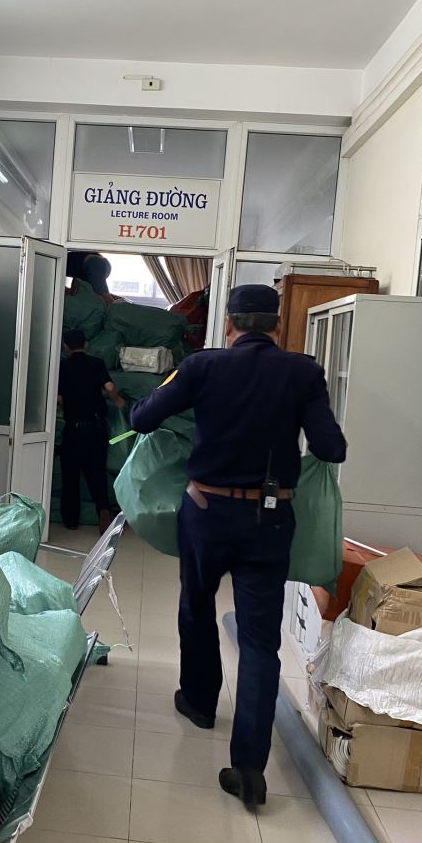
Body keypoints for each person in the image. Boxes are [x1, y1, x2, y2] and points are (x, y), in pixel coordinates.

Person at [129, 284, 346, 807]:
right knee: (259, 641)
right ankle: (249, 768)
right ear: (276, 326)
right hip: (269, 522)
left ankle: (200, 701)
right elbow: (330, 447)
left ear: (228, 324)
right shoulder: (302, 372)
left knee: (196, 607)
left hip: (205, 513)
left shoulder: (202, 367)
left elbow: (142, 419)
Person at [58, 328, 126, 535]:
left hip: (73, 428)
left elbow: (59, 398)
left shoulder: (62, 366)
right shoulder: (96, 363)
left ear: (65, 346)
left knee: (70, 475)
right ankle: (103, 510)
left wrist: (70, 404)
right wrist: (119, 402)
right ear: (86, 344)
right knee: (96, 472)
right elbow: (110, 387)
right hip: (95, 428)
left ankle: (71, 521)